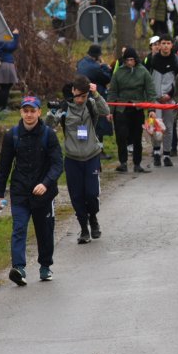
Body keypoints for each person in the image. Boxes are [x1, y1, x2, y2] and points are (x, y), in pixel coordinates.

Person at [0, 96, 63, 286]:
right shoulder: (12, 136)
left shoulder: (49, 134)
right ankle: (19, 268)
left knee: (44, 231)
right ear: (21, 113)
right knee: (19, 228)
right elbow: (4, 166)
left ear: (39, 112)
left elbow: (58, 165)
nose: (29, 114)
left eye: (33, 111)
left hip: (44, 193)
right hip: (20, 192)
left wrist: (46, 183)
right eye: (26, 111)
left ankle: (45, 266)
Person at [61, 75, 110, 243]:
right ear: (73, 90)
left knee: (91, 193)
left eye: (84, 96)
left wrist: (96, 95)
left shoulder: (91, 104)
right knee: (76, 196)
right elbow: (48, 125)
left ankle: (93, 218)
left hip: (91, 156)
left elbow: (105, 111)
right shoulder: (64, 108)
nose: (81, 99)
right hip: (72, 159)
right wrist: (52, 114)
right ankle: (83, 228)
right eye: (79, 95)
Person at [108, 47, 156, 173]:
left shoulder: (143, 71)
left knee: (136, 137)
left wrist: (151, 109)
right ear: (124, 60)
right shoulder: (118, 72)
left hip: (137, 107)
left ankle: (137, 163)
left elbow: (150, 91)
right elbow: (112, 92)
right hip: (121, 108)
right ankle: (123, 162)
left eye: (132, 60)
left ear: (136, 60)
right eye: (127, 60)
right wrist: (110, 111)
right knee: (121, 136)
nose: (130, 62)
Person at [148, 35, 178, 167]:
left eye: (168, 43)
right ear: (159, 45)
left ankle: (166, 154)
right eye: (163, 43)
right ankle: (156, 152)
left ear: (172, 45)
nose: (166, 46)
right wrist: (151, 99)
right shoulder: (151, 60)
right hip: (154, 100)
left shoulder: (177, 60)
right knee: (155, 127)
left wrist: (170, 94)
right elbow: (147, 81)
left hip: (169, 99)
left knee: (168, 127)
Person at [76, 44, 113, 152]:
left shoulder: (81, 62)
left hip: (80, 97)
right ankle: (99, 149)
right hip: (94, 97)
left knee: (82, 123)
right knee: (99, 123)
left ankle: (81, 148)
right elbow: (107, 78)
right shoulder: (95, 67)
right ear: (97, 55)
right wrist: (105, 66)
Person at [0, 30, 20, 111]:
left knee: (5, 87)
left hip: (5, 64)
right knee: (5, 87)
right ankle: (1, 107)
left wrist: (13, 35)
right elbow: (13, 46)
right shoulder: (0, 40)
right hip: (6, 64)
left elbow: (9, 41)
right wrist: (16, 35)